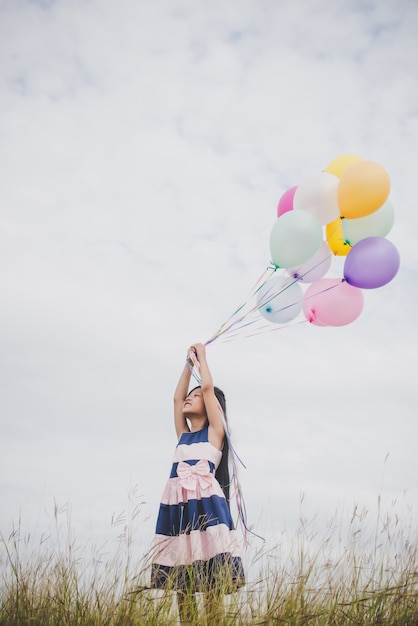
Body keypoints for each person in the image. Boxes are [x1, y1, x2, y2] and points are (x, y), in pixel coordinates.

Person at [150, 343, 245, 625]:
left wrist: (202, 359)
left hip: (209, 510)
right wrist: (187, 365)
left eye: (196, 395)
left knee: (212, 575)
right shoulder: (183, 436)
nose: (189, 398)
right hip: (179, 511)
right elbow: (176, 400)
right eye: (190, 394)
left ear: (210, 405)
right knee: (184, 578)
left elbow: (207, 389)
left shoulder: (215, 433)